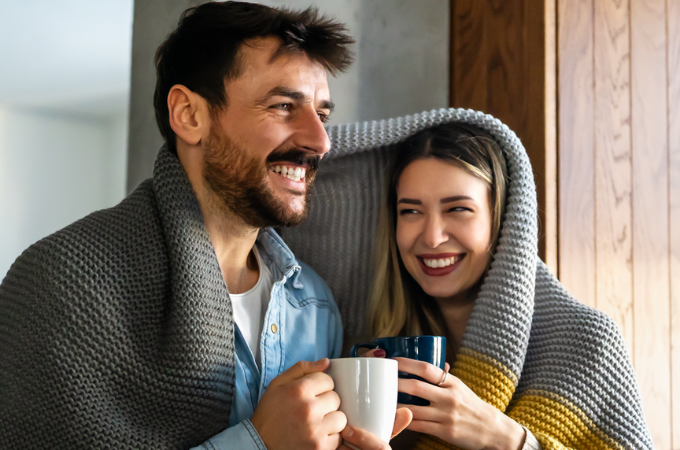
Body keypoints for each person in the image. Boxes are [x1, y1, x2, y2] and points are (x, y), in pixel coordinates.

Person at [0, 2, 410, 449]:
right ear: (190, 115)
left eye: (322, 114)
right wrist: (259, 443)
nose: (321, 140)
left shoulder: (314, 307)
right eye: (282, 105)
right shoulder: (63, 282)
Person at [363, 120, 653, 449]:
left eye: (458, 209)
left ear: (502, 219)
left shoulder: (588, 343)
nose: (432, 237)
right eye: (411, 211)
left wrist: (508, 440)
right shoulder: (375, 345)